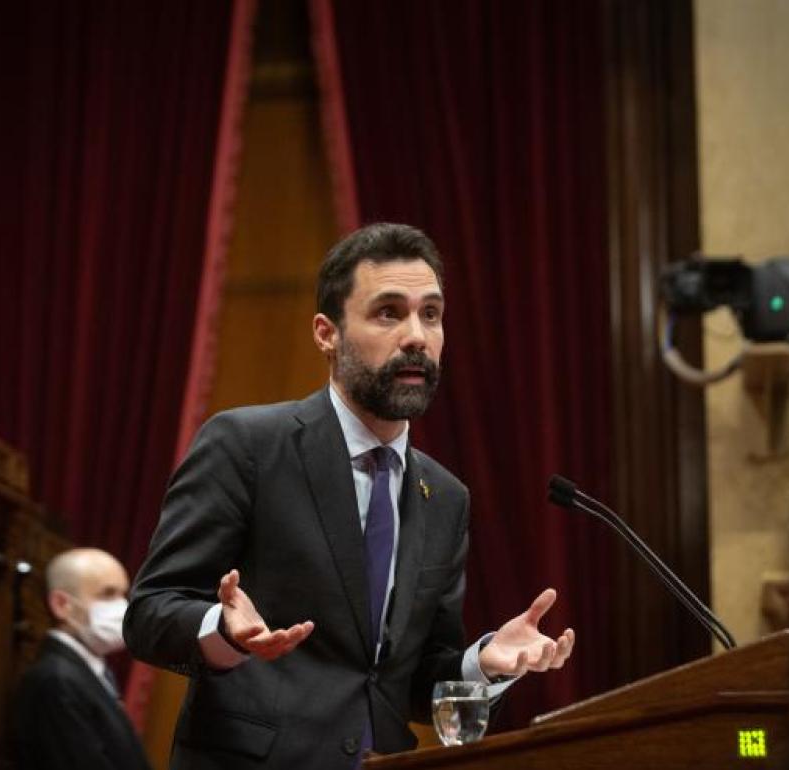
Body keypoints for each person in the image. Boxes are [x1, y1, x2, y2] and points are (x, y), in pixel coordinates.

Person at [125, 223, 575, 769]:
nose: (416, 336)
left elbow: (405, 682)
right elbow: (149, 613)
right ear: (326, 332)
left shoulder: (445, 497)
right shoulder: (247, 445)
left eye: (430, 314)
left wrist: (483, 664)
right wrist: (222, 633)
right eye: (389, 312)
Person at [13, 548, 151, 770]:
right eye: (107, 594)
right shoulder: (57, 680)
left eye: (122, 594)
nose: (122, 607)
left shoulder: (90, 670)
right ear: (61, 604)